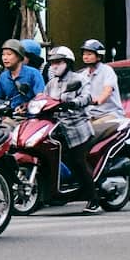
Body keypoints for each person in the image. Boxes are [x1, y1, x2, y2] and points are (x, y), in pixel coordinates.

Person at [41, 46, 99, 212]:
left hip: (78, 129)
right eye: (52, 63)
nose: (54, 66)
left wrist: (73, 103)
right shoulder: (51, 83)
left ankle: (93, 199)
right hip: (58, 129)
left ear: (68, 62)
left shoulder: (78, 79)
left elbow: (87, 97)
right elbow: (43, 99)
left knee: (78, 162)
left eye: (58, 62)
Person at [77, 40, 126, 142]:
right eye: (84, 54)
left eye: (89, 54)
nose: (85, 57)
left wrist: (98, 100)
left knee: (89, 132)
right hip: (90, 115)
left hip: (110, 114)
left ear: (99, 56)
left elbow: (107, 90)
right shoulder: (82, 75)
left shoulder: (107, 70)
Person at [0, 39, 47, 112]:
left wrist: (27, 105)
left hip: (31, 115)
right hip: (11, 114)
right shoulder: (4, 76)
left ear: (19, 56)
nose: (5, 58)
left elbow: (40, 97)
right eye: (3, 54)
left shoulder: (34, 73)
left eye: (9, 54)